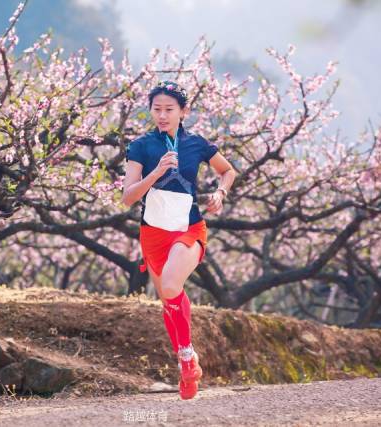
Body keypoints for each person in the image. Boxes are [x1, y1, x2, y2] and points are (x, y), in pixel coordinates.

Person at [121, 80, 237, 400]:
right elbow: (128, 197)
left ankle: (186, 355)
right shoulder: (141, 146)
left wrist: (221, 192)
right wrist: (155, 173)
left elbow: (228, 171)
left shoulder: (197, 144)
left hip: (189, 227)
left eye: (169, 109)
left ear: (183, 111)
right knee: (169, 303)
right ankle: (187, 366)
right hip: (153, 232)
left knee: (172, 285)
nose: (162, 115)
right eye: (156, 109)